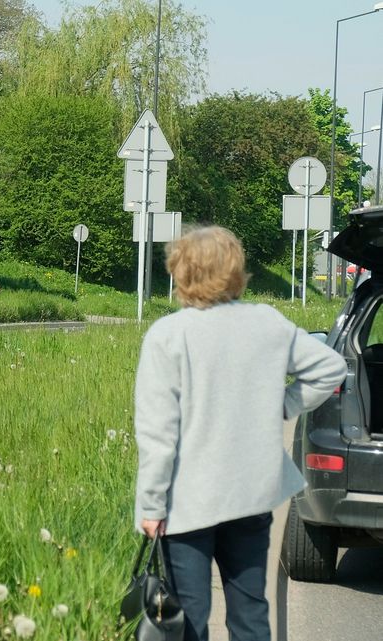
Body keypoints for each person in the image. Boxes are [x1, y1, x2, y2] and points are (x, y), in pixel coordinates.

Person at [133, 225, 344, 641]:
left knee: (189, 617)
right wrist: (284, 405)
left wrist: (151, 504)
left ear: (181, 271)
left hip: (187, 501)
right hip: (251, 494)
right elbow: (330, 367)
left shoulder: (168, 336)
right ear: (235, 270)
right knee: (250, 613)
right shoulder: (266, 323)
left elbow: (159, 434)